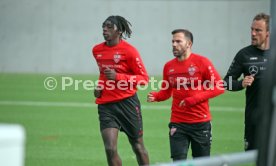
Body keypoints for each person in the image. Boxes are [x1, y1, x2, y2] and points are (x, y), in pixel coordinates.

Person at [147, 29, 224, 161]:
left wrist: (194, 99)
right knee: (178, 162)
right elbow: (166, 92)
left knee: (202, 163)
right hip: (178, 123)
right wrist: (156, 96)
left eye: (178, 41)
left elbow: (220, 87)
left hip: (200, 123)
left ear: (189, 44)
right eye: (172, 41)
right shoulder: (168, 66)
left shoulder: (202, 62)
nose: (174, 44)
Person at [92, 15, 149, 166]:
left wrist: (118, 77)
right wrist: (99, 86)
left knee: (137, 145)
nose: (105, 29)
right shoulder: (97, 50)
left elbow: (144, 79)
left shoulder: (130, 51)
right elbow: (103, 73)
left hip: (128, 103)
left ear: (120, 31)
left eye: (110, 27)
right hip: (106, 106)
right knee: (110, 148)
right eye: (104, 26)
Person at [224, 13, 270, 151]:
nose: (253, 33)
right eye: (252, 29)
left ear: (268, 32)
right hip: (254, 120)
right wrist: (241, 84)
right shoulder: (244, 55)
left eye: (258, 30)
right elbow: (226, 82)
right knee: (254, 157)